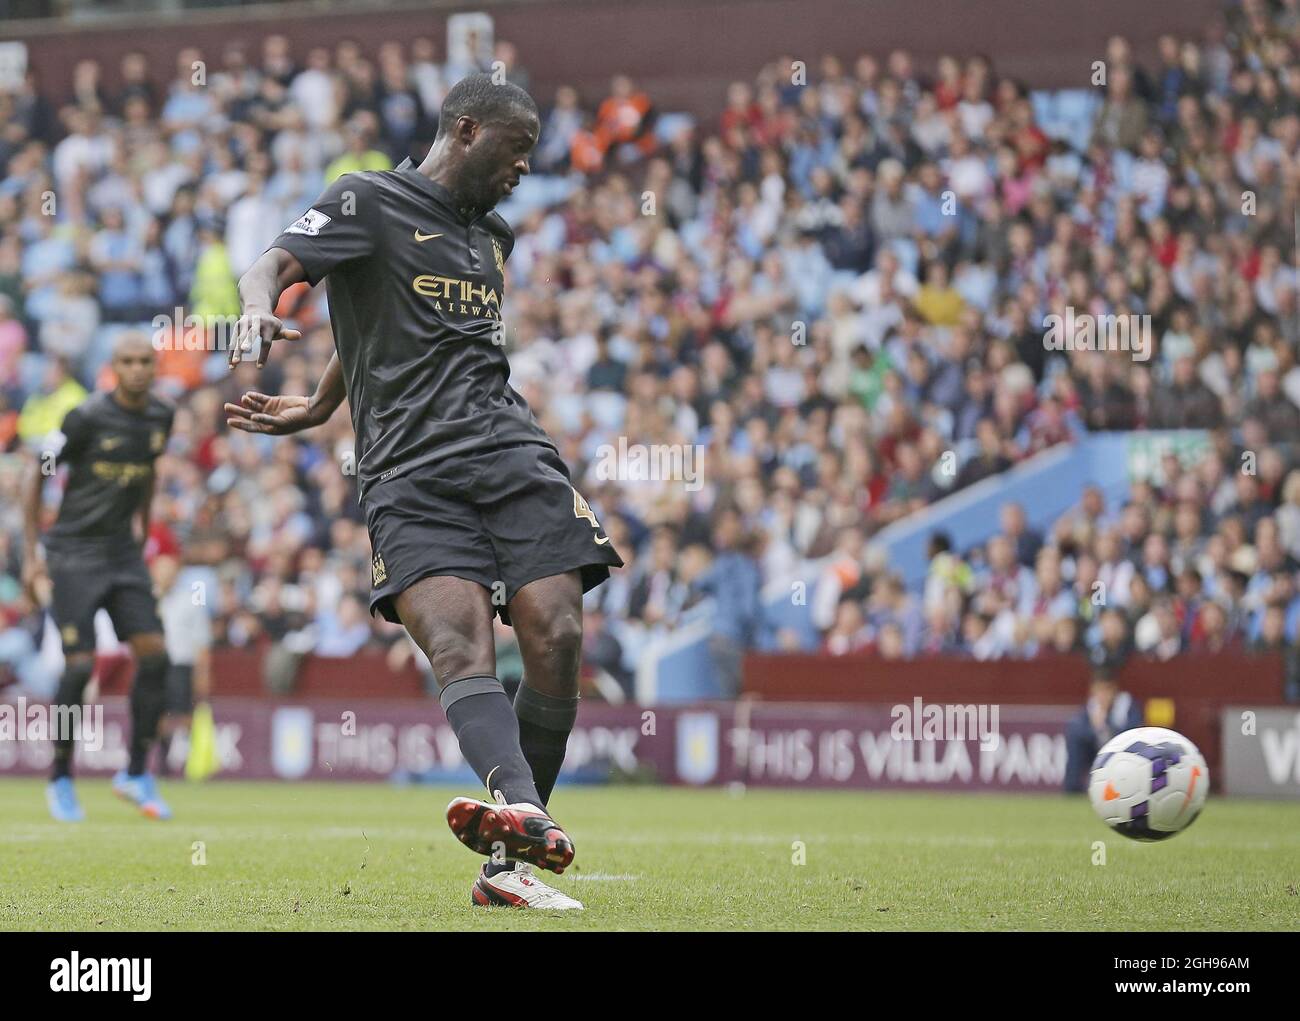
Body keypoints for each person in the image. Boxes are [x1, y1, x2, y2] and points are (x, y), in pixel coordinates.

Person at [225, 74, 622, 911]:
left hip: (510, 450)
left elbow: (407, 322)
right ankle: (519, 832)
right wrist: (256, 309)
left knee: (555, 628)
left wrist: (325, 399)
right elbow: (274, 264)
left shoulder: (495, 238)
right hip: (407, 470)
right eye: (517, 153)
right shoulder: (366, 200)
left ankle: (513, 839)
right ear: (468, 131)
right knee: (458, 645)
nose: (524, 171)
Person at [22, 332, 176, 821]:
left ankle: (135, 773)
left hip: (123, 554)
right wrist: (31, 554)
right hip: (73, 553)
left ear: (154, 367)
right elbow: (36, 471)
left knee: (155, 657)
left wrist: (143, 529)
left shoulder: (161, 415)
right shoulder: (85, 416)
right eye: (127, 361)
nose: (137, 369)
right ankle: (61, 777)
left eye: (145, 361)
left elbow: (149, 470)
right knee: (80, 666)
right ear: (113, 366)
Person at [1062, 666, 1143, 793]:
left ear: (1115, 690)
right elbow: (1078, 731)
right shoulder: (1091, 707)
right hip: (1096, 753)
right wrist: (1095, 729)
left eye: (1107, 690)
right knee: (1074, 738)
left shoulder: (1127, 705)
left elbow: (1131, 735)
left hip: (1122, 756)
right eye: (1099, 690)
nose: (1103, 695)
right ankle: (1072, 789)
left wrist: (1106, 725)